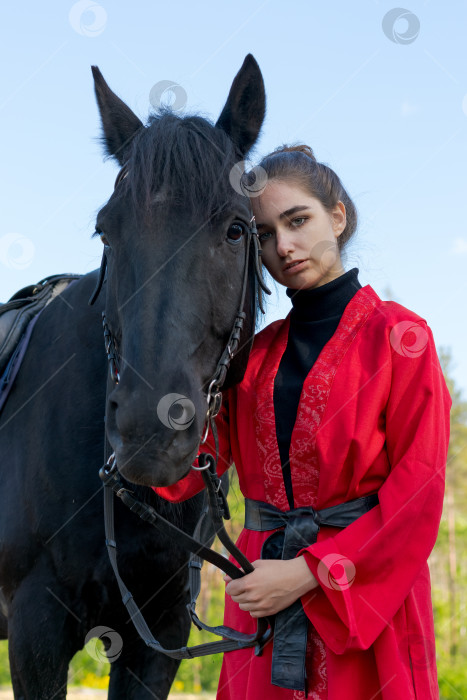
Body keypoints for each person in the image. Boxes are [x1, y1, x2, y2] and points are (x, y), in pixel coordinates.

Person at [153, 145, 452, 700]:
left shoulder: (401, 338)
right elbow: (189, 471)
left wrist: (308, 574)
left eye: (297, 220)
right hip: (260, 594)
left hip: (365, 596)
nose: (283, 246)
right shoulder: (253, 356)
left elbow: (419, 493)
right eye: (264, 234)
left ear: (337, 217)